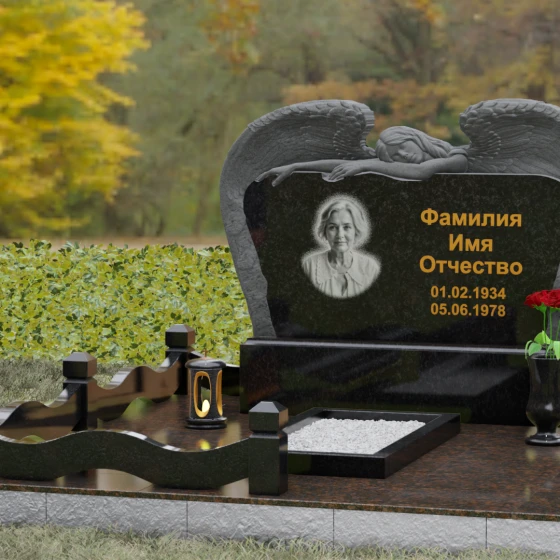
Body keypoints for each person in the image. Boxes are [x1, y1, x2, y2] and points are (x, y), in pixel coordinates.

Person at [256, 126, 468, 185]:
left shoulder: (458, 157)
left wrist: (367, 166)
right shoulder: (402, 166)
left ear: (414, 137)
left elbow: (422, 172)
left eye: (403, 146)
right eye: (396, 156)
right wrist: (297, 166)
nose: (404, 155)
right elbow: (347, 164)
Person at [302, 196, 380, 298]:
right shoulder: (309, 266)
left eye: (347, 227)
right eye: (332, 227)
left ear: (356, 231)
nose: (340, 235)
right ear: (325, 231)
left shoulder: (370, 268)